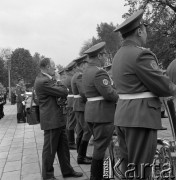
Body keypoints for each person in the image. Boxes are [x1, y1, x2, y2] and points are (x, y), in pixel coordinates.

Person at [112, 9, 176, 179]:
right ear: (139, 31)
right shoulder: (141, 54)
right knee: (142, 167)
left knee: (129, 167)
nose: (146, 33)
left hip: (124, 116)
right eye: (145, 30)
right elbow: (163, 86)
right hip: (140, 118)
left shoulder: (119, 55)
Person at [34, 58, 83, 180]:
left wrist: (58, 82)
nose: (55, 69)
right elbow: (63, 91)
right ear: (47, 67)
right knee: (50, 150)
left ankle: (67, 170)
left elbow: (62, 91)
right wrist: (59, 80)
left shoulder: (48, 79)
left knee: (63, 147)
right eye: (54, 66)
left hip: (58, 118)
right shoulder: (43, 81)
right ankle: (48, 175)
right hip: (51, 120)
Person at [82, 42, 118, 180]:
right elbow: (108, 93)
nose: (105, 58)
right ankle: (97, 177)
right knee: (101, 148)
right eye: (105, 55)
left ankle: (102, 175)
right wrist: (122, 97)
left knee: (100, 146)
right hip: (102, 115)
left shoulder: (86, 71)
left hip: (92, 113)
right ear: (99, 55)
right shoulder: (98, 72)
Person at [71, 55, 92, 164]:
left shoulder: (76, 75)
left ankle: (80, 154)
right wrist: (91, 99)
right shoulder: (79, 76)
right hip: (81, 106)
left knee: (80, 131)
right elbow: (83, 93)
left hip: (78, 106)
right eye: (86, 65)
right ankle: (81, 157)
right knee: (87, 130)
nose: (87, 67)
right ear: (82, 65)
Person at [62, 61, 77, 150]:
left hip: (68, 101)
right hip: (72, 101)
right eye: (74, 68)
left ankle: (69, 141)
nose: (75, 70)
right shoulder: (71, 78)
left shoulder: (66, 78)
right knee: (72, 122)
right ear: (71, 70)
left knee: (69, 121)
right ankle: (70, 142)